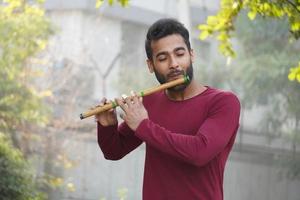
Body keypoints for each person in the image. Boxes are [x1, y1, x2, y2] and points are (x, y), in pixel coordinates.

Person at [96, 18, 240, 200]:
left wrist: (143, 126)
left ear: (191, 55)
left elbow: (200, 152)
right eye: (163, 58)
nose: (174, 64)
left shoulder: (224, 102)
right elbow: (113, 151)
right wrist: (107, 126)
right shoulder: (148, 104)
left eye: (180, 54)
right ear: (151, 65)